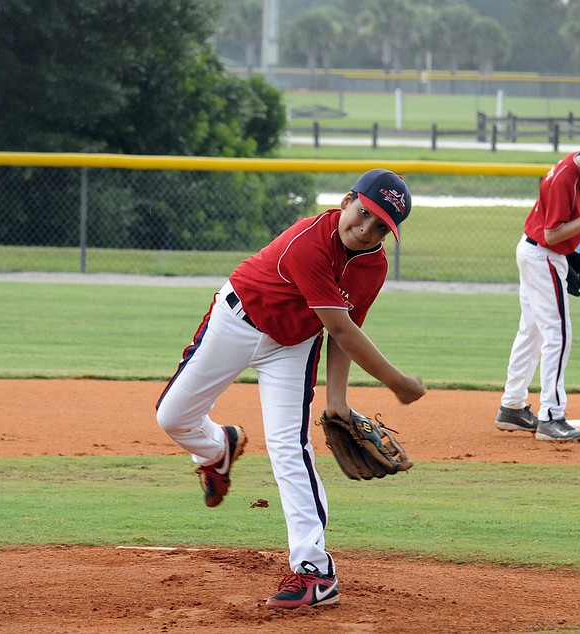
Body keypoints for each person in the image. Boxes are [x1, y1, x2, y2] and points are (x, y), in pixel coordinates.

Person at [156, 169, 427, 608]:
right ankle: (216, 448)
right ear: (346, 200)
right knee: (171, 418)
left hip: (293, 345)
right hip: (236, 321)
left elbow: (349, 326)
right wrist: (397, 383)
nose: (366, 229)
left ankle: (314, 572)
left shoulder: (374, 265)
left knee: (288, 447)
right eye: (364, 214)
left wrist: (338, 400)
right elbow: (338, 326)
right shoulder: (310, 242)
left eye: (381, 227)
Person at [495, 145, 580, 442]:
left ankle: (512, 407)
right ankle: (551, 415)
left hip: (542, 253)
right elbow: (551, 235)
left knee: (531, 331)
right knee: (558, 334)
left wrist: (568, 253)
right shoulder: (562, 181)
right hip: (542, 254)